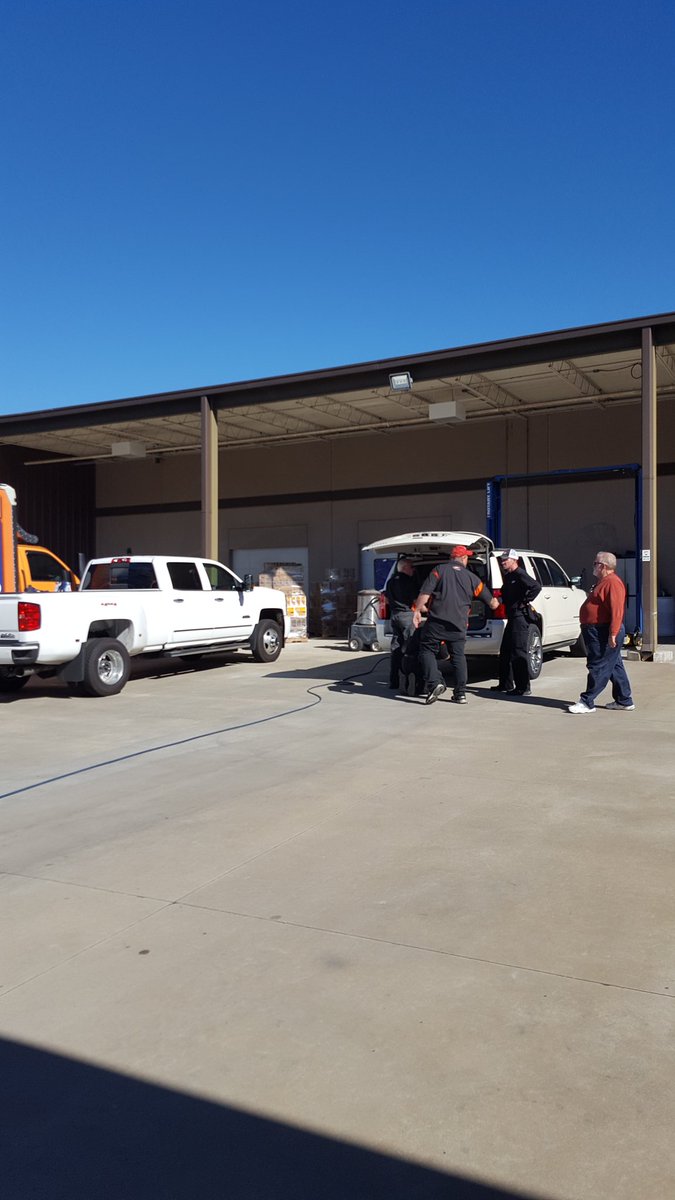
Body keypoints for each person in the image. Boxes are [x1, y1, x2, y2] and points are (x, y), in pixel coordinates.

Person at [412, 546, 499, 705]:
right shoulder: (472, 578)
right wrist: (499, 601)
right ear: (464, 558)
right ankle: (460, 694)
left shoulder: (439, 570)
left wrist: (417, 610)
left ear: (452, 558)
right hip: (459, 624)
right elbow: (492, 604)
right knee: (458, 657)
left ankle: (435, 683)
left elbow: (425, 594)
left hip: (437, 622)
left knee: (426, 650)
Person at [568, 551, 635, 714]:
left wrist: (613, 633)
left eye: (595, 563)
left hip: (602, 631)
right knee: (614, 666)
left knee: (598, 665)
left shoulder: (612, 582)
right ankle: (624, 700)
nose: (593, 566)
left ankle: (587, 701)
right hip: (597, 630)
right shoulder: (603, 582)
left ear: (603, 566)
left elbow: (617, 611)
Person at [493, 550, 542, 696]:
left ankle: (523, 687)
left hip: (520, 618)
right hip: (512, 617)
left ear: (514, 560)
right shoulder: (509, 576)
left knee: (518, 652)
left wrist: (524, 601)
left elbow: (536, 587)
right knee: (505, 651)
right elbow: (504, 595)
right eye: (502, 560)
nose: (503, 562)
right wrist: (497, 601)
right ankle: (505, 684)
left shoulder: (520, 574)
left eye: (506, 560)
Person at [384, 556, 418, 689]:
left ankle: (394, 681)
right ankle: (410, 680)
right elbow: (415, 600)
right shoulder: (408, 581)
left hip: (395, 616)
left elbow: (386, 600)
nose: (413, 570)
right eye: (411, 567)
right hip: (407, 615)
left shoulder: (390, 581)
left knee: (396, 648)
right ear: (404, 568)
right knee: (410, 648)